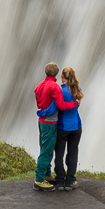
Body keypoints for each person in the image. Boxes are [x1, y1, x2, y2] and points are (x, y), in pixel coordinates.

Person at [33, 63, 74, 191]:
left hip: (41, 121)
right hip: (50, 123)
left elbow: (40, 102)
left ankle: (46, 174)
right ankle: (39, 180)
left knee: (44, 147)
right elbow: (61, 105)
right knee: (47, 150)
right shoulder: (54, 87)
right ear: (57, 74)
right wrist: (74, 103)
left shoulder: (39, 85)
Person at [48, 68, 82, 190]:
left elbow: (57, 107)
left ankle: (60, 179)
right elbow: (77, 104)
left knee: (59, 153)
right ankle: (70, 180)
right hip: (76, 126)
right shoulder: (78, 89)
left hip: (62, 127)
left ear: (62, 76)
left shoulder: (60, 91)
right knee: (72, 152)